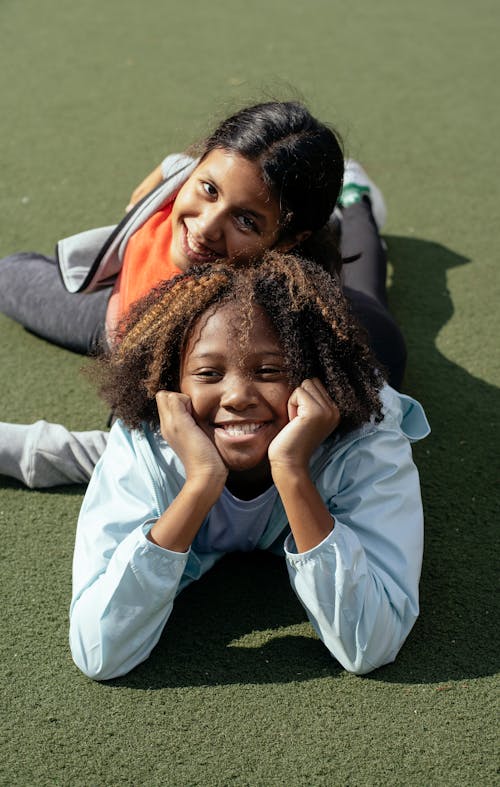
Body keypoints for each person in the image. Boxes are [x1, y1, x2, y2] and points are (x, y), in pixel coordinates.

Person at [0, 101, 406, 487]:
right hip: (118, 316)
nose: (207, 227)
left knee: (359, 287)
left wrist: (16, 449)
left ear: (285, 242)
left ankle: (356, 203)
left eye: (245, 220)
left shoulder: (243, 331)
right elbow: (172, 171)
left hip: (364, 329)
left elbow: (149, 460)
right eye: (209, 189)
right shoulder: (186, 179)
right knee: (8, 275)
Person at [69, 253, 429, 680]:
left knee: (368, 300)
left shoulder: (366, 439)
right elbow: (99, 651)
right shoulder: (146, 443)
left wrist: (293, 471)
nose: (237, 395)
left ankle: (355, 204)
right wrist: (201, 483)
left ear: (315, 379)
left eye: (269, 370)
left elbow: (370, 643)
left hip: (369, 343)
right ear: (173, 383)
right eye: (207, 373)